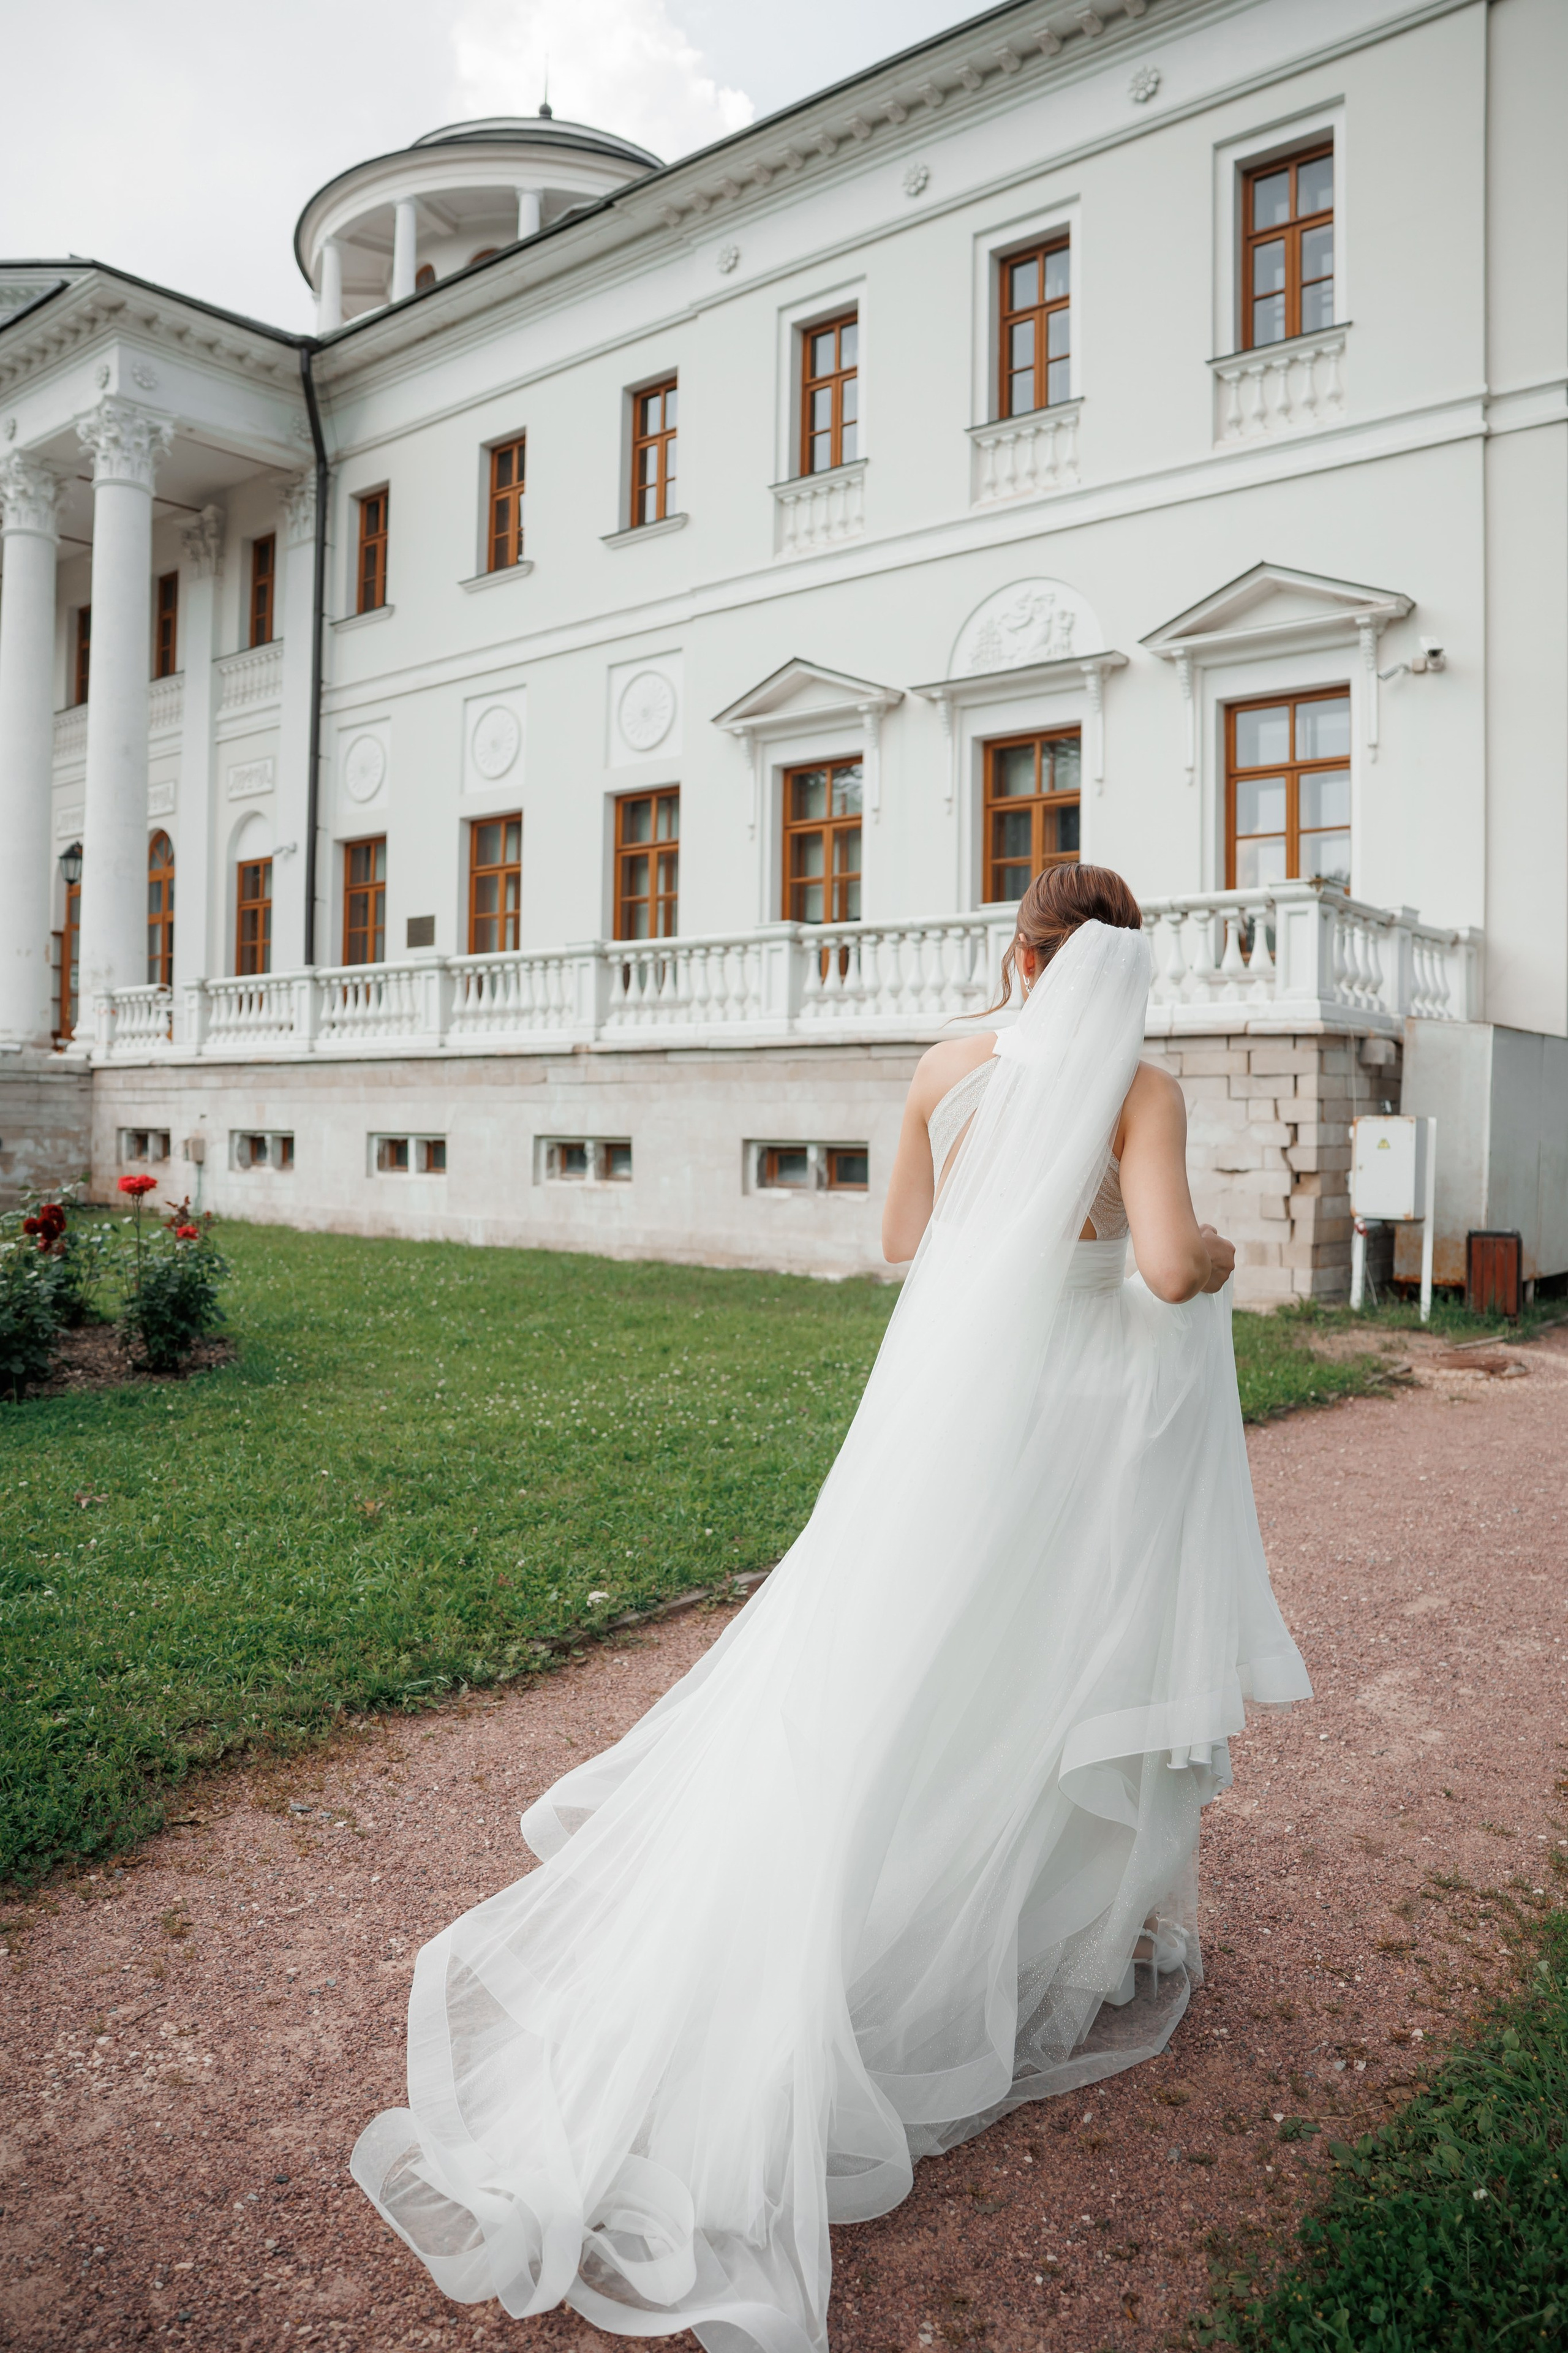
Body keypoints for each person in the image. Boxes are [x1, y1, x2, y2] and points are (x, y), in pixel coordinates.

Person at [353, 864, 1311, 2353]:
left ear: (1018, 958)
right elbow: (1171, 1265)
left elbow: (903, 1242)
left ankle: (871, 1928)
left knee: (904, 1662)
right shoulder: (1139, 1091)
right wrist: (1226, 1255)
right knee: (1045, 1667)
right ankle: (1031, 1933)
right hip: (1078, 1418)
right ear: (1120, 972)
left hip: (954, 1416)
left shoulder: (943, 1068)